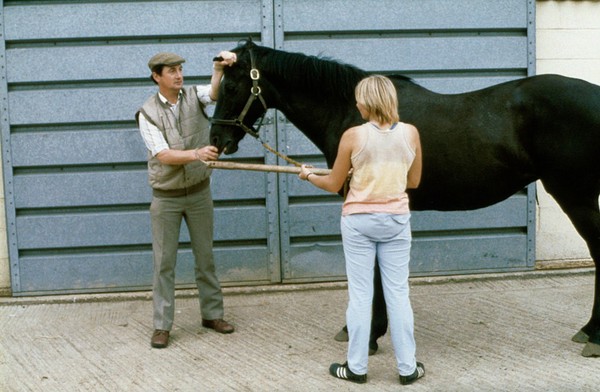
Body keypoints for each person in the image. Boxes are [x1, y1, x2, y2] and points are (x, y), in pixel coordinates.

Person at [299, 75, 425, 385]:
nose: (356, 104)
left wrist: (308, 175)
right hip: (396, 220)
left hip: (359, 221)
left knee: (360, 295)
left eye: (359, 99)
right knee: (398, 294)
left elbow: (332, 183)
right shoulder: (411, 133)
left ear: (367, 103)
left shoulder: (353, 136)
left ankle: (356, 368)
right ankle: (408, 369)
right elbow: (413, 182)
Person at [136, 50, 237, 349]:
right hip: (165, 199)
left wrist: (217, 69)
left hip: (198, 193)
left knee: (205, 258)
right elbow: (164, 155)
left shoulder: (194, 95)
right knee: (164, 263)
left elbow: (215, 94)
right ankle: (162, 325)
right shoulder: (147, 113)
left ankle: (212, 315)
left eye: (180, 69)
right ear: (157, 76)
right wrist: (197, 154)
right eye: (171, 71)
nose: (179, 75)